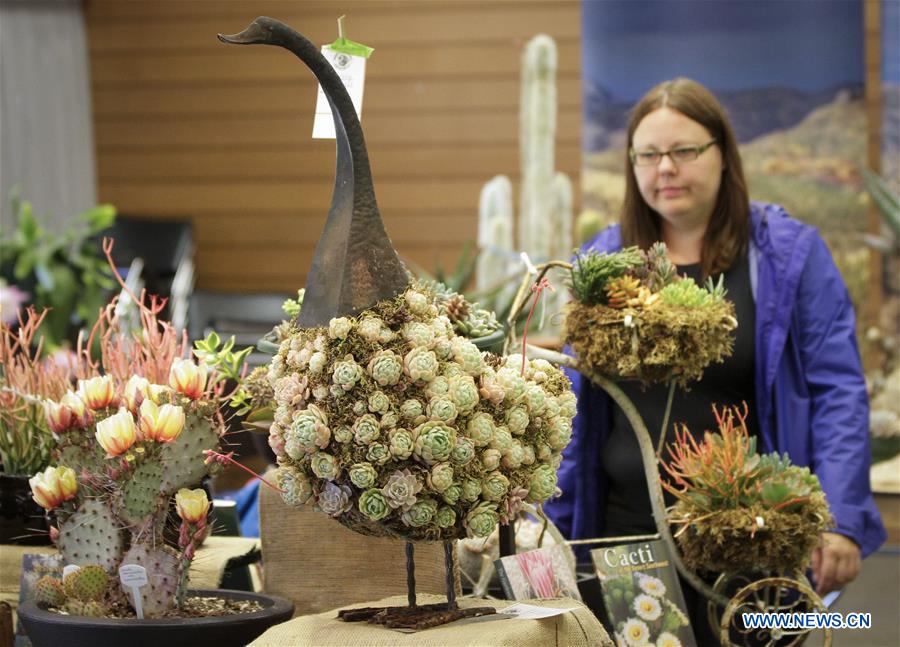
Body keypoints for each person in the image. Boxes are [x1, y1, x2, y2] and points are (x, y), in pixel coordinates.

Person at [544, 77, 885, 632]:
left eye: (684, 151)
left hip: (752, 535)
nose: (665, 169)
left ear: (723, 155)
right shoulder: (604, 263)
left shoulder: (787, 256)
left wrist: (842, 520)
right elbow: (577, 408)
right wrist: (551, 526)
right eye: (648, 155)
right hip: (627, 537)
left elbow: (837, 392)